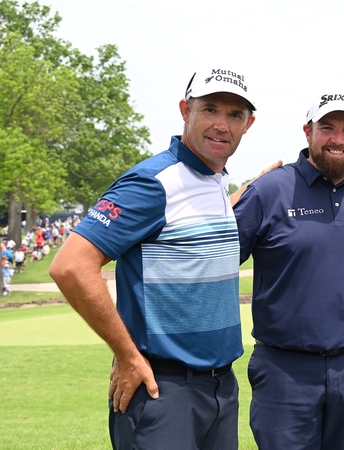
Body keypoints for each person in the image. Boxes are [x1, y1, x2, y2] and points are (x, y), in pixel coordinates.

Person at [49, 66, 257, 450]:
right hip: (163, 390)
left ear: (249, 124)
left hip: (221, 389)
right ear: (185, 110)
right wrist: (127, 355)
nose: (221, 124)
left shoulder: (214, 180)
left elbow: (186, 234)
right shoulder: (153, 181)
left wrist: (247, 191)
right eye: (210, 109)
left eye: (234, 115)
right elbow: (71, 265)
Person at [234, 92, 344, 449]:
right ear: (308, 131)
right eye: (327, 128)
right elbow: (217, 261)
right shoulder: (268, 191)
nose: (338, 139)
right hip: (284, 369)